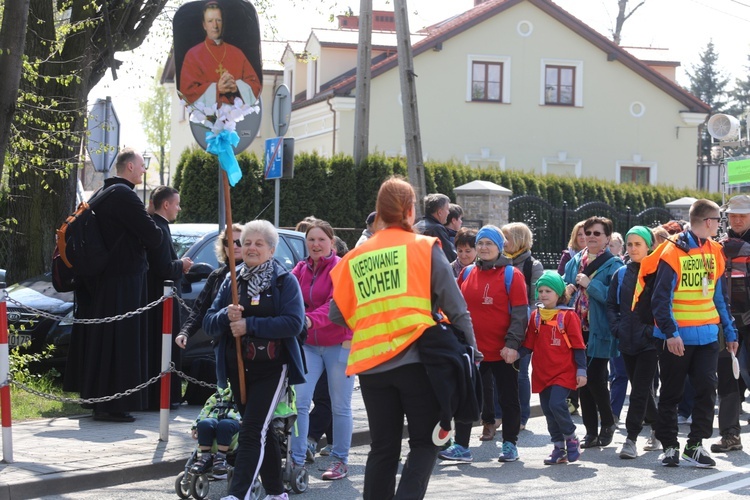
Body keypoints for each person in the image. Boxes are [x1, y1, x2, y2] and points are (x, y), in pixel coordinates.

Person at [329, 176, 477, 500]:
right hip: (417, 362)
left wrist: (373, 317)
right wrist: (472, 355)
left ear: (379, 212)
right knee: (426, 442)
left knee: (383, 448)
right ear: (410, 211)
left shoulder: (355, 257)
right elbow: (457, 308)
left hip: (371, 367)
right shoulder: (424, 247)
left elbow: (336, 315)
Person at [203, 220, 306, 500]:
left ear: (271, 250)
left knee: (251, 429)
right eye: (246, 242)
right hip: (238, 367)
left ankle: (239, 494)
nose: (251, 247)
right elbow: (209, 322)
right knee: (260, 428)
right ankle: (276, 493)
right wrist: (226, 315)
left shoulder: (285, 281)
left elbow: (294, 323)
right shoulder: (231, 281)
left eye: (259, 243)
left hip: (272, 367)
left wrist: (250, 325)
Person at [63, 148, 163, 422]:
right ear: (129, 166)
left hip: (103, 279)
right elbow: (153, 237)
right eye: (142, 165)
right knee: (123, 342)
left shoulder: (102, 193)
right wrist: (151, 215)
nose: (144, 170)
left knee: (105, 341)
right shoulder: (125, 195)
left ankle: (101, 403)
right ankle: (116, 405)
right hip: (124, 279)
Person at [645, 199, 738, 468]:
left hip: (708, 336)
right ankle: (670, 446)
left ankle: (695, 445)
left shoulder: (716, 251)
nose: (720, 225)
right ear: (708, 222)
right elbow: (660, 300)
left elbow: (720, 297)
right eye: (718, 220)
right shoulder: (672, 251)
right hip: (677, 339)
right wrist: (671, 333)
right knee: (672, 394)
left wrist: (730, 332)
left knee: (707, 391)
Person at [441, 225, 527, 463]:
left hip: (503, 351)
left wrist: (512, 344)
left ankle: (510, 444)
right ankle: (461, 446)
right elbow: (454, 308)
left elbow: (520, 314)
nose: (483, 247)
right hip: (472, 351)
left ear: (499, 247)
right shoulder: (467, 273)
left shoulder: (512, 275)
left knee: (508, 399)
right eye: (480, 243)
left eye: (489, 243)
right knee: (465, 398)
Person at [290, 219, 355, 481]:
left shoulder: (341, 268)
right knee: (300, 401)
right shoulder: (300, 268)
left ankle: (340, 459)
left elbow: (334, 305)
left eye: (321, 240)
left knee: (340, 405)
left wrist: (306, 319)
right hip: (308, 344)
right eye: (311, 240)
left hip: (339, 343)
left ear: (332, 242)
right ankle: (296, 459)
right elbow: (287, 292)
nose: (315, 244)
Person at [564, 216, 623, 449]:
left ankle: (607, 422)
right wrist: (565, 289)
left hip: (599, 330)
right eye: (588, 232)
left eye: (597, 233)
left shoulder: (614, 265)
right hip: (576, 329)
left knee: (595, 378)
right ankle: (590, 431)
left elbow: (615, 297)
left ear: (608, 237)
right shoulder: (576, 260)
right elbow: (565, 287)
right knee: (582, 380)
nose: (591, 237)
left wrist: (591, 284)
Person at [518, 271, 586, 464]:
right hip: (542, 372)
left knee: (557, 404)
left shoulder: (569, 316)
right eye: (540, 291)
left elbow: (579, 346)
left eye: (548, 290)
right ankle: (558, 448)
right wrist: (515, 354)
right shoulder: (536, 316)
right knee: (548, 410)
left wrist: (581, 371)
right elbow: (529, 344)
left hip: (564, 372)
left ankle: (571, 438)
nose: (543, 294)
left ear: (558, 293)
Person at [606, 226, 660, 459]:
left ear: (649, 246)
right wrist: (617, 327)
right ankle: (659, 428)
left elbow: (665, 306)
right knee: (643, 390)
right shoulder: (621, 273)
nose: (633, 248)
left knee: (638, 390)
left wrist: (651, 330)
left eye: (638, 244)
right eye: (630, 244)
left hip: (649, 343)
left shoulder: (658, 272)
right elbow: (611, 305)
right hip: (626, 340)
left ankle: (631, 439)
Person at [176, 223, 244, 385]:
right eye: (229, 243)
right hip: (222, 342)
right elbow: (200, 308)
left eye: (239, 242)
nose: (234, 246)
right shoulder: (217, 276)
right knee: (223, 390)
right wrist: (185, 332)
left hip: (250, 343)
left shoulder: (255, 272)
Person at [146, 186, 193, 410]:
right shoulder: (159, 228)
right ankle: (165, 396)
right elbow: (163, 267)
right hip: (162, 298)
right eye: (177, 204)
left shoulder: (159, 227)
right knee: (165, 345)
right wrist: (181, 265)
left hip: (162, 296)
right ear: (166, 205)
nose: (179, 208)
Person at [713, 194, 750, 453]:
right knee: (727, 379)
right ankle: (730, 435)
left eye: (743, 215)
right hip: (725, 322)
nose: (737, 219)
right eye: (733, 215)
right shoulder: (716, 246)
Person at [501, 222, 543, 431]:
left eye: (506, 238)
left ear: (518, 239)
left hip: (523, 326)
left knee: (520, 372)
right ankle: (500, 414)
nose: (503, 242)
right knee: (500, 371)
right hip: (500, 324)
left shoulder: (532, 266)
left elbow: (538, 299)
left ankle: (522, 416)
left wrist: (532, 322)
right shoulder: (499, 261)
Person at [179, 0, 261, 107]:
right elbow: (186, 93)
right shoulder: (192, 55)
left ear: (223, 23)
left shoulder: (237, 53)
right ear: (204, 25)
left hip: (238, 118)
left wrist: (237, 86)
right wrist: (217, 89)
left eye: (218, 20)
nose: (215, 26)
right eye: (210, 21)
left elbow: (255, 85)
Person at [190, 385, 242, 479]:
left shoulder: (246, 394)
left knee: (224, 425)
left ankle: (220, 458)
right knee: (204, 424)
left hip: (235, 420)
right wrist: (195, 425)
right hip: (215, 418)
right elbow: (205, 410)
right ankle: (205, 456)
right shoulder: (217, 396)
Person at [414, 193, 457, 262]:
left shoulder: (415, 226)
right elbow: (450, 257)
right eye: (447, 210)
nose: (448, 213)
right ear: (440, 212)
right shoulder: (436, 229)